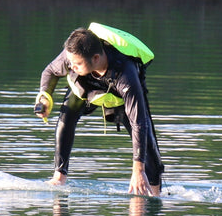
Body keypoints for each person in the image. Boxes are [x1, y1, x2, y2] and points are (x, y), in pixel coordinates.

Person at [34, 24, 164, 197]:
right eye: (71, 62)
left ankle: (154, 193)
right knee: (66, 116)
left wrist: (138, 169)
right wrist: (45, 96)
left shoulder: (126, 74)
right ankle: (59, 177)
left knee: (147, 145)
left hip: (119, 96)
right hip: (86, 89)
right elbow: (50, 71)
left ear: (96, 58)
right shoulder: (73, 55)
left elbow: (139, 122)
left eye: (77, 64)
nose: (71, 67)